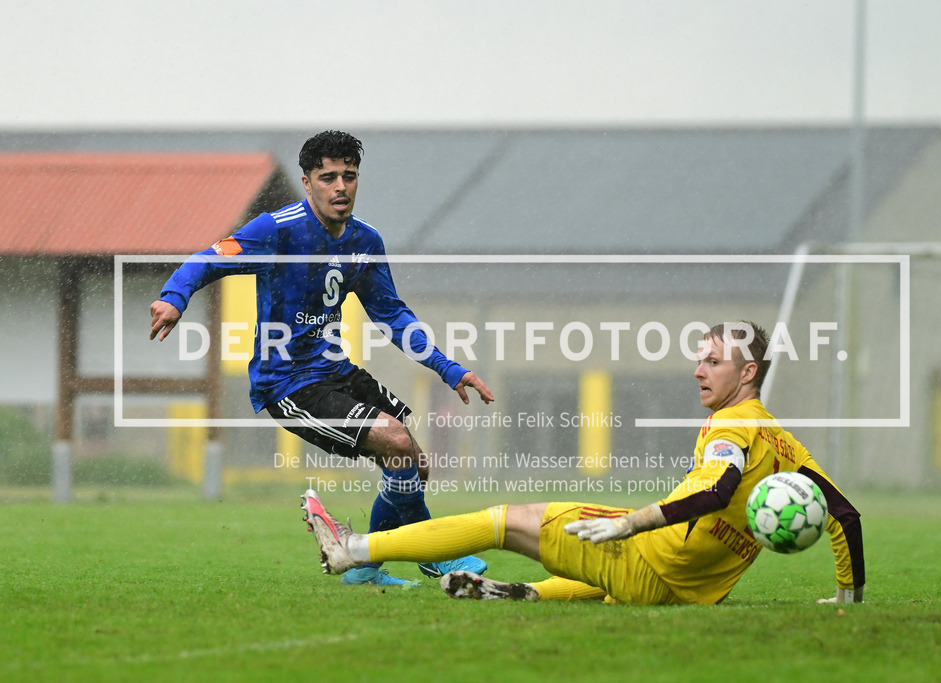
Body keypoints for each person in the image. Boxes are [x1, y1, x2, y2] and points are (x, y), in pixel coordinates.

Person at [301, 321, 865, 605]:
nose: (699, 371)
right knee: (598, 567)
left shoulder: (731, 426)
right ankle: (523, 595)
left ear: (747, 374)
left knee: (507, 520)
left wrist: (632, 522)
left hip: (648, 560)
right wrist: (848, 594)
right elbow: (845, 513)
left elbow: (718, 492)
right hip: (689, 591)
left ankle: (353, 551)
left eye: (714, 362)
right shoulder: (782, 441)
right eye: (700, 358)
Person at [151, 130, 495, 586]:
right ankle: (435, 555)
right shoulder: (276, 230)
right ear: (307, 182)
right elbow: (208, 258)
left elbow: (391, 315)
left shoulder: (365, 242)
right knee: (394, 440)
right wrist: (175, 297)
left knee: (413, 459)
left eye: (348, 176)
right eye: (328, 177)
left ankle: (364, 566)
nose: (340, 187)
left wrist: (449, 369)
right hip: (287, 383)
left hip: (334, 370)